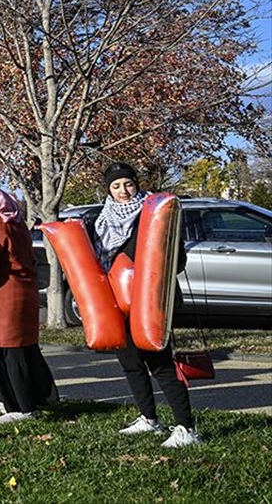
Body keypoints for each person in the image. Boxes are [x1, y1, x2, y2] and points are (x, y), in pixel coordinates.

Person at [93, 162, 200, 448]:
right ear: (108, 190)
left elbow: (177, 259)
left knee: (160, 363)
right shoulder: (104, 219)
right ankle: (149, 418)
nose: (123, 191)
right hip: (118, 301)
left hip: (149, 301)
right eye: (116, 186)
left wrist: (151, 276)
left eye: (127, 184)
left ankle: (186, 428)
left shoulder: (153, 214)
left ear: (136, 184)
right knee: (130, 362)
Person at [0, 186, 58, 424]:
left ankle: (20, 407)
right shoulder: (16, 224)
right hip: (22, 294)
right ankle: (7, 398)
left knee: (6, 355)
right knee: (19, 351)